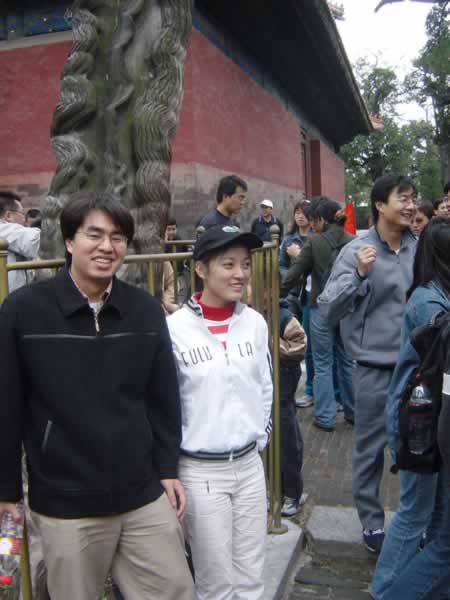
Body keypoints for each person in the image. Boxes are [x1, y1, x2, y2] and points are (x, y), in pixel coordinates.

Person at [0, 191, 194, 600]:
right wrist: (7, 493)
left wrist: (167, 468)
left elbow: (163, 398)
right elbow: (7, 407)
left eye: (118, 237)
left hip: (140, 493)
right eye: (95, 234)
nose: (107, 246)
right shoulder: (24, 311)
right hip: (66, 502)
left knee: (175, 589)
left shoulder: (144, 310)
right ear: (70, 241)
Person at [167, 225, 272, 600]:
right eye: (228, 264)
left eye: (245, 264)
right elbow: (166, 404)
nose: (240, 273)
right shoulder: (174, 330)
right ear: (201, 269)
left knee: (251, 577)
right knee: (215, 583)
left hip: (249, 466)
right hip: (201, 473)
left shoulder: (254, 323)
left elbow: (264, 386)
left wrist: (260, 437)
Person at [318, 173, 417, 553]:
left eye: (413, 198)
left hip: (417, 369)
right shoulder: (356, 251)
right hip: (374, 368)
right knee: (370, 450)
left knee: (417, 448)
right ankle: (372, 522)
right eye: (402, 198)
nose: (411, 205)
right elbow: (328, 309)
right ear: (379, 204)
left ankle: (415, 520)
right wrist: (358, 275)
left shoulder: (419, 248)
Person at [372, 216, 450, 600]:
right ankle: (385, 591)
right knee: (414, 513)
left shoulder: (438, 293)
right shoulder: (429, 301)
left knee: (437, 516)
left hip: (434, 420)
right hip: (418, 423)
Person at [281, 197, 355, 432]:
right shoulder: (353, 241)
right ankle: (353, 411)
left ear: (323, 219)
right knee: (346, 360)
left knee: (322, 363)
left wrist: (277, 293)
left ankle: (325, 416)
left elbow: (293, 274)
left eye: (314, 220)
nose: (312, 225)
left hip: (320, 307)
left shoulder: (314, 242)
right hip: (346, 309)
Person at [279, 201, 314, 408]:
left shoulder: (316, 238)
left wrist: (299, 262)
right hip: (292, 294)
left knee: (310, 343)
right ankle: (292, 389)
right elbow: (281, 265)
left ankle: (311, 388)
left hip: (309, 294)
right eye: (297, 213)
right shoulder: (288, 240)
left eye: (303, 213)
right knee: (291, 340)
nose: (300, 216)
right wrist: (292, 277)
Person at [279, 298, 308, 516]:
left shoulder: (284, 317)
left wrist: (271, 342)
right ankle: (277, 490)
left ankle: (292, 493)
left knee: (289, 443)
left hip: (282, 393)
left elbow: (299, 346)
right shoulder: (246, 314)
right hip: (265, 395)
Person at [0, 191, 40, 291]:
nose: (24, 220)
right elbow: (34, 241)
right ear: (8, 215)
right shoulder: (3, 229)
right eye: (22, 214)